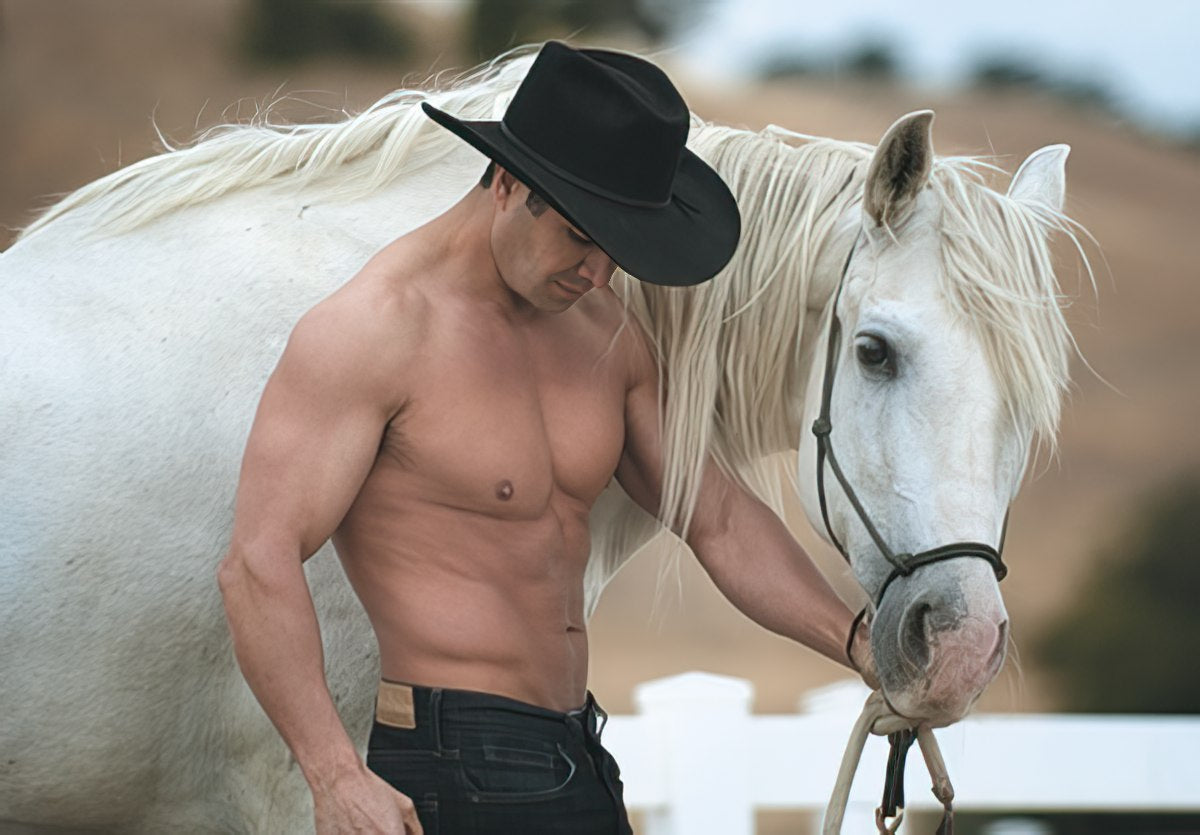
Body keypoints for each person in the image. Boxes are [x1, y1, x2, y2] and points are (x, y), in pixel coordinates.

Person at [217, 41, 876, 835]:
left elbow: (718, 516)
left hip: (579, 754)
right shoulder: (375, 331)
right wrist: (334, 775)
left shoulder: (605, 332)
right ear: (505, 182)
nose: (598, 274)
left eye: (616, 248)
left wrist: (860, 643)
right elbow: (257, 562)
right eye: (579, 236)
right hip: (448, 765)